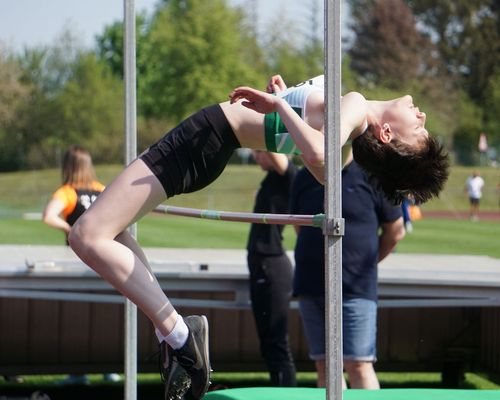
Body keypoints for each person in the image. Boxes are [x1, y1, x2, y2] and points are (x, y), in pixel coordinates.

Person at [68, 74, 448, 400]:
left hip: (206, 135)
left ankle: (180, 336)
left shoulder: (357, 105)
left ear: (386, 133)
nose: (422, 115)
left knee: (86, 235)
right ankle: (173, 336)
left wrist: (278, 107)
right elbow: (323, 170)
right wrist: (287, 102)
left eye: (418, 128)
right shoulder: (350, 131)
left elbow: (319, 156)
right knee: (103, 228)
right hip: (211, 143)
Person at [290, 158, 405, 389]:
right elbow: (300, 226)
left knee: (358, 364)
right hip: (312, 286)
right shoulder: (303, 177)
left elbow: (395, 231)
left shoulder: (375, 175)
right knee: (324, 365)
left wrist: (367, 262)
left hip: (356, 288)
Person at [43, 146, 121, 385]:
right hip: (107, 259)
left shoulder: (67, 192)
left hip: (78, 262)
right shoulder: (102, 190)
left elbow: (48, 216)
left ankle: (79, 373)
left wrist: (70, 229)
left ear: (67, 166)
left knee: (78, 314)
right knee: (106, 313)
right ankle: (109, 368)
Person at [246, 150, 297, 387]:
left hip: (273, 267)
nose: (256, 156)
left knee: (277, 344)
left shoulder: (288, 175)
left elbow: (279, 157)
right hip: (262, 265)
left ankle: (286, 392)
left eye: (259, 152)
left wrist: (264, 123)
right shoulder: (270, 179)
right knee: (268, 343)